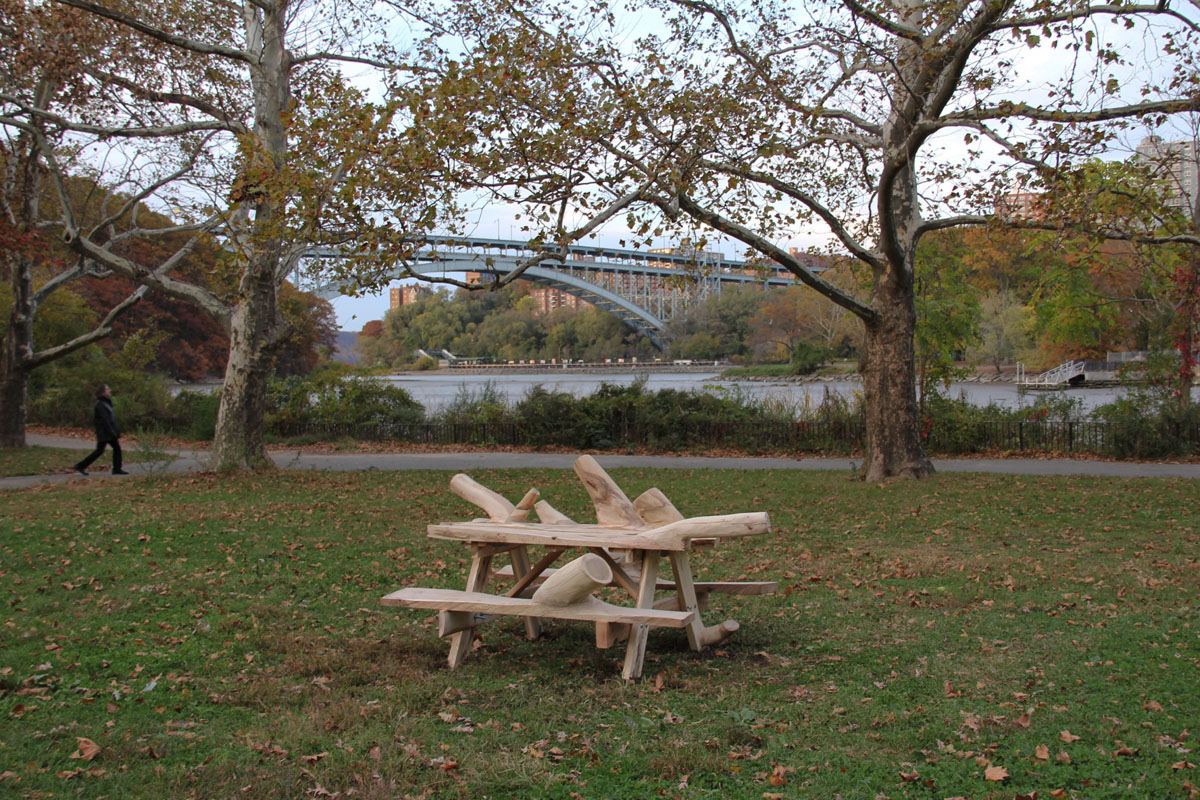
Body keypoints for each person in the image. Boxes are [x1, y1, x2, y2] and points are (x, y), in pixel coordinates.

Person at [73, 384, 128, 476]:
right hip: (105, 433)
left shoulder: (106, 403)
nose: (109, 390)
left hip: (107, 432)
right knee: (102, 450)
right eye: (107, 389)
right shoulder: (100, 404)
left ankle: (117, 468)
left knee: (112, 449)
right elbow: (105, 420)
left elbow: (110, 419)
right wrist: (112, 432)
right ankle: (80, 465)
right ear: (102, 392)